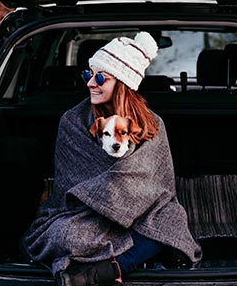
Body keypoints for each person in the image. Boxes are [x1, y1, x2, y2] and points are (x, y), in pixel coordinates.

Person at [21, 32, 202, 286]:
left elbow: (157, 184)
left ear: (123, 81)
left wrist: (125, 197)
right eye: (88, 75)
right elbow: (71, 184)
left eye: (100, 77)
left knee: (170, 225)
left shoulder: (152, 124)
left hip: (144, 213)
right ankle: (116, 263)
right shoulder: (73, 121)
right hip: (87, 214)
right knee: (68, 236)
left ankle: (106, 269)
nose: (90, 84)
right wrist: (110, 198)